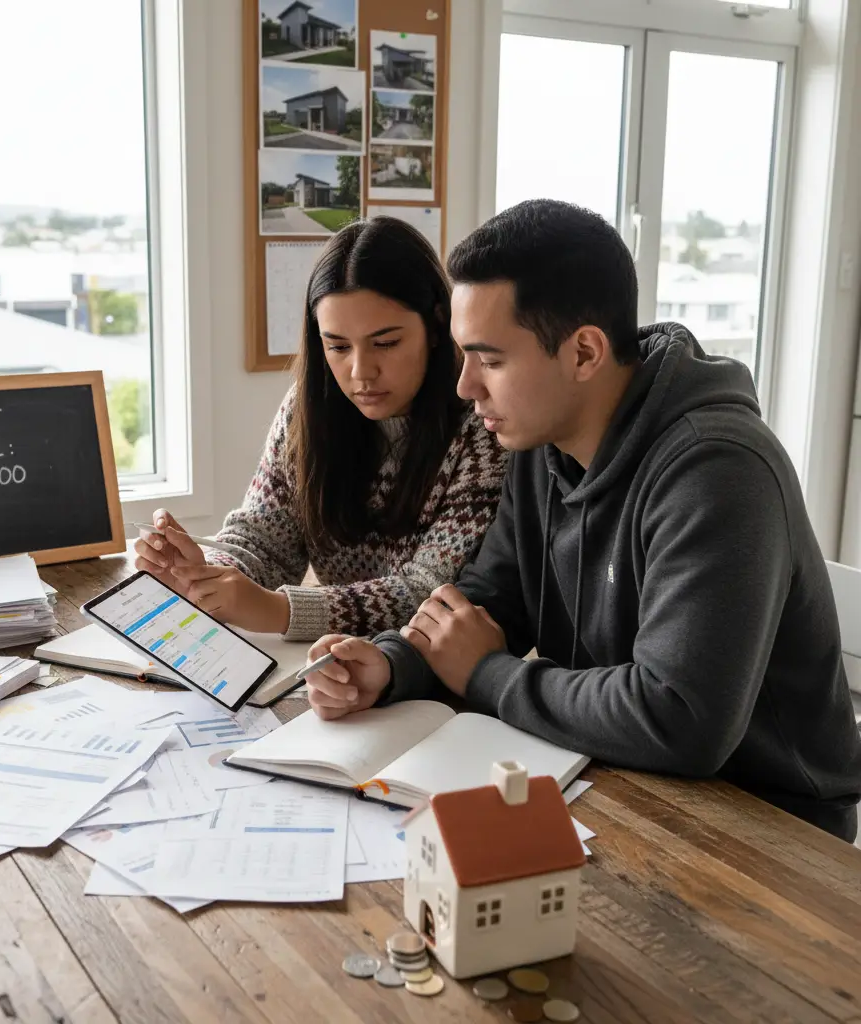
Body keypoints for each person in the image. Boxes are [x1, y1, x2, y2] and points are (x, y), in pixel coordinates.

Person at [303, 199, 861, 842]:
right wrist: (391, 664)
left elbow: (679, 719)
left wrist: (486, 674)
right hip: (613, 775)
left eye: (490, 360)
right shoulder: (541, 441)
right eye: (463, 356)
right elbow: (487, 601)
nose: (465, 386)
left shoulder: (718, 471)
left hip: (767, 828)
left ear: (585, 352)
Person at [134, 216, 507, 642]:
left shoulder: (484, 425)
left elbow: (433, 594)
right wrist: (204, 573)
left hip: (429, 668)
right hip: (334, 659)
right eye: (338, 346)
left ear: (437, 325)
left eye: (386, 343)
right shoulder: (307, 407)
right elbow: (264, 540)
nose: (361, 371)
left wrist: (278, 610)